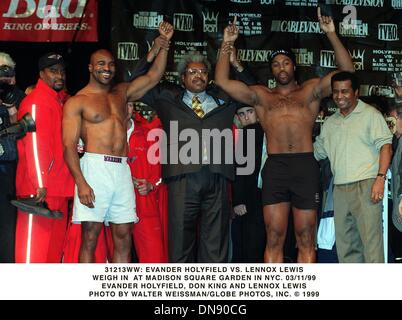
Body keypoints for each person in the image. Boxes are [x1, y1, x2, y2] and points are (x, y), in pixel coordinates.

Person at [215, 9, 354, 263]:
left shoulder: (310, 91)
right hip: (276, 167)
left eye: (285, 62)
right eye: (276, 64)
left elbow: (346, 72)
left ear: (293, 65)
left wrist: (332, 35)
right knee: (275, 236)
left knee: (306, 237)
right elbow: (222, 81)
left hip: (304, 165)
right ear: (272, 69)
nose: (281, 67)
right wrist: (226, 43)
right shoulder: (261, 96)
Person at [62, 21, 173, 263]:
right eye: (101, 64)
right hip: (95, 168)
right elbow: (69, 146)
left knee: (124, 235)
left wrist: (164, 44)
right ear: (90, 67)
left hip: (122, 168)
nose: (107, 68)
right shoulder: (78, 101)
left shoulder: (121, 93)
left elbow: (154, 76)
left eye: (111, 65)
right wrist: (81, 183)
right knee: (90, 236)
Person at [314, 72, 392, 263]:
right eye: (335, 92)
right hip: (340, 189)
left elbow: (386, 147)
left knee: (371, 247)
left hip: (366, 185)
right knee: (346, 248)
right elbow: (317, 153)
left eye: (345, 91)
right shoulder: (330, 123)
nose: (339, 96)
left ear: (356, 92)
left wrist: (380, 179)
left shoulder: (370, 115)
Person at [15, 52, 74, 263]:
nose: (59, 75)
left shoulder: (59, 103)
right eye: (53, 71)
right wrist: (40, 183)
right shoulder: (36, 102)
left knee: (52, 253)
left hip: (59, 189)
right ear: (41, 74)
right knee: (34, 253)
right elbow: (34, 145)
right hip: (39, 192)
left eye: (62, 71)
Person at [127, 102, 168, 262]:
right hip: (113, 201)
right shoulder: (103, 132)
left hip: (144, 203)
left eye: (129, 105)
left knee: (154, 258)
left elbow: (161, 173)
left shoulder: (148, 132)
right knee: (113, 254)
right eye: (121, 104)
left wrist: (151, 184)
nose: (125, 109)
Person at [231, 104, 266, 262]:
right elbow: (239, 170)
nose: (246, 116)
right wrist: (239, 200)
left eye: (250, 112)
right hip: (250, 199)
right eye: (242, 114)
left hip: (263, 196)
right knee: (251, 245)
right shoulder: (245, 134)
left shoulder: (265, 131)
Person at [0, 52, 25, 262]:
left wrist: (11, 112)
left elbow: (23, 134)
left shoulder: (18, 97)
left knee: (7, 225)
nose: (4, 76)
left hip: (7, 168)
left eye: (7, 71)